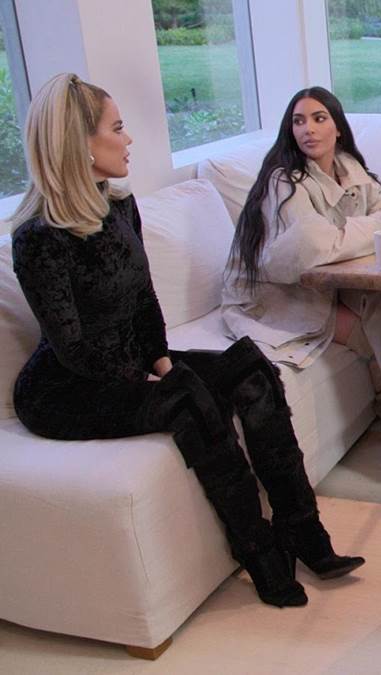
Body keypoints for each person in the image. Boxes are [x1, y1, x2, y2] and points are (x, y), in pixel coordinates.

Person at [9, 73, 363, 608]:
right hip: (66, 389)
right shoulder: (38, 239)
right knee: (191, 401)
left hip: (130, 360)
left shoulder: (119, 207)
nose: (129, 139)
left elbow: (144, 300)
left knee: (252, 369)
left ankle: (303, 532)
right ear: (79, 144)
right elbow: (73, 348)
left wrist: (161, 360)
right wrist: (158, 381)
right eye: (117, 129)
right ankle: (261, 555)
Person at [221, 87, 381, 441]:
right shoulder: (283, 180)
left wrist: (380, 221)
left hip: (325, 282)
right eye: (299, 121)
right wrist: (380, 223)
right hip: (273, 296)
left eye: (319, 119)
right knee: (373, 330)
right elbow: (312, 246)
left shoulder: (349, 168)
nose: (308, 129)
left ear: (338, 128)